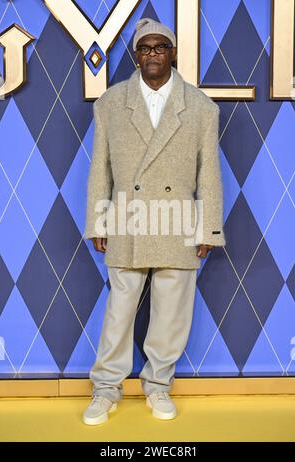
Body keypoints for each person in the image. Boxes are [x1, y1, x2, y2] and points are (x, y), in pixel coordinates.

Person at [83, 18, 226, 425]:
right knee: (119, 311)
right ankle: (106, 388)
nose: (152, 55)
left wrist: (208, 227)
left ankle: (158, 385)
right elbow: (100, 170)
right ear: (135, 54)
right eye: (144, 48)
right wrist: (98, 221)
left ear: (173, 53)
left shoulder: (200, 107)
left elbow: (209, 174)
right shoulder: (110, 103)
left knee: (172, 312)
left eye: (159, 47)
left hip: (178, 220)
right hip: (128, 218)